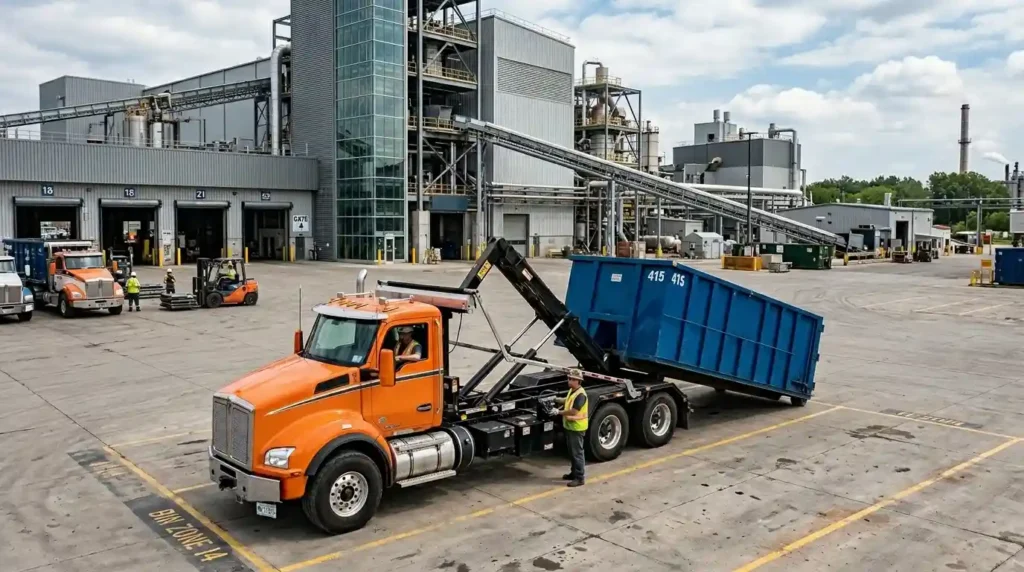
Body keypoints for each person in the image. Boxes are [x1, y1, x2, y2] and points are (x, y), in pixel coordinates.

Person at [555, 369, 588, 488]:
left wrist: (558, 412)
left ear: (578, 381)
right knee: (572, 452)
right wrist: (557, 399)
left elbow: (574, 411)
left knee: (577, 453)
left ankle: (580, 478)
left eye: (572, 379)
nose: (569, 381)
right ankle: (574, 473)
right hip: (570, 427)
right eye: (569, 378)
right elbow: (568, 400)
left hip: (577, 428)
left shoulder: (581, 395)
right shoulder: (573, 391)